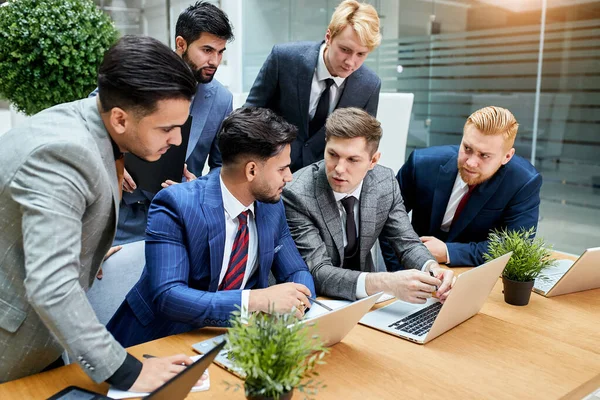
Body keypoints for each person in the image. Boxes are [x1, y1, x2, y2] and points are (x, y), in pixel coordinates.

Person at [0, 36, 201, 390]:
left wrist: (77, 242)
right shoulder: (65, 154)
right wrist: (128, 371)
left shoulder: (91, 120)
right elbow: (52, 285)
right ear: (121, 118)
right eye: (167, 128)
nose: (176, 141)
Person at [106, 107, 316, 348]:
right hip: (155, 342)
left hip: (231, 340)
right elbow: (169, 296)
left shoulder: (270, 206)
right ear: (251, 170)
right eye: (282, 169)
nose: (289, 177)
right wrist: (256, 300)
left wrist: (298, 304)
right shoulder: (176, 204)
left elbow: (295, 271)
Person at [282, 107, 453, 303]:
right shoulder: (297, 194)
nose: (339, 168)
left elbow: (406, 242)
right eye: (333, 154)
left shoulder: (384, 181)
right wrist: (385, 282)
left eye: (352, 159)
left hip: (368, 299)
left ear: (373, 160)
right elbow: (318, 271)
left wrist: (432, 269)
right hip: (321, 301)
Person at [113, 1, 235, 245]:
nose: (215, 61)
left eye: (220, 52)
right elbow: (97, 113)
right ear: (181, 44)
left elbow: (223, 166)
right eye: (207, 50)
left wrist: (197, 187)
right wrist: (114, 162)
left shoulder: (222, 99)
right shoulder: (139, 70)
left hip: (178, 221)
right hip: (119, 217)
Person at [381, 106, 542, 268]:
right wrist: (400, 273)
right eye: (467, 148)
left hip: (475, 273)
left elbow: (513, 246)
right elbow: (387, 220)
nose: (471, 162)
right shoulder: (421, 165)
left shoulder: (523, 182)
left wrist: (448, 252)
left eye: (484, 155)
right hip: (415, 267)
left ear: (507, 156)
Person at [245, 0, 381, 172]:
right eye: (345, 49)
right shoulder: (284, 59)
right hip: (271, 169)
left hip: (325, 178)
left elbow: (363, 144)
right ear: (329, 37)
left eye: (361, 54)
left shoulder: (369, 85)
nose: (350, 62)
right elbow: (249, 115)